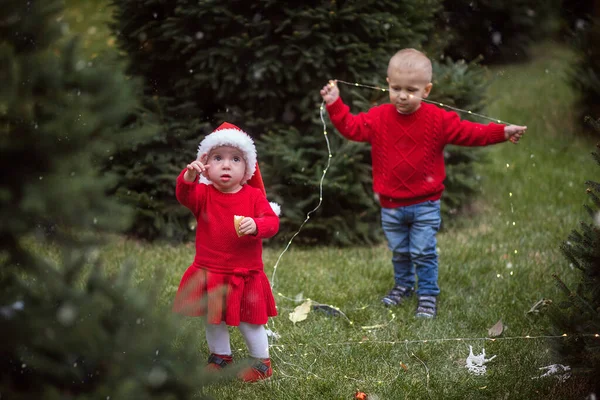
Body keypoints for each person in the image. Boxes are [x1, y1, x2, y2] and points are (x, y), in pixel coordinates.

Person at [320, 48, 526, 318]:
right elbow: (351, 127)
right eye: (396, 88)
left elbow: (469, 132)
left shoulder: (437, 120)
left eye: (411, 89)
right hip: (390, 205)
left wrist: (501, 132)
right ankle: (403, 286)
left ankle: (427, 293)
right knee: (400, 250)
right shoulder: (378, 117)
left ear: (426, 90)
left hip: (425, 203)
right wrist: (335, 104)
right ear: (387, 84)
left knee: (423, 250)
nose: (403, 95)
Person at [172, 122, 280, 381]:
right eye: (217, 158)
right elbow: (183, 194)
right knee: (214, 318)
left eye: (235, 159)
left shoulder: (253, 196)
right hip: (211, 272)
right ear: (206, 165)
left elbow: (272, 222)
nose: (226, 164)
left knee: (250, 321)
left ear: (247, 169)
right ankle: (220, 357)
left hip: (244, 275)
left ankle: (261, 363)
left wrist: (257, 225)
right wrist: (188, 176)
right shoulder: (203, 195)